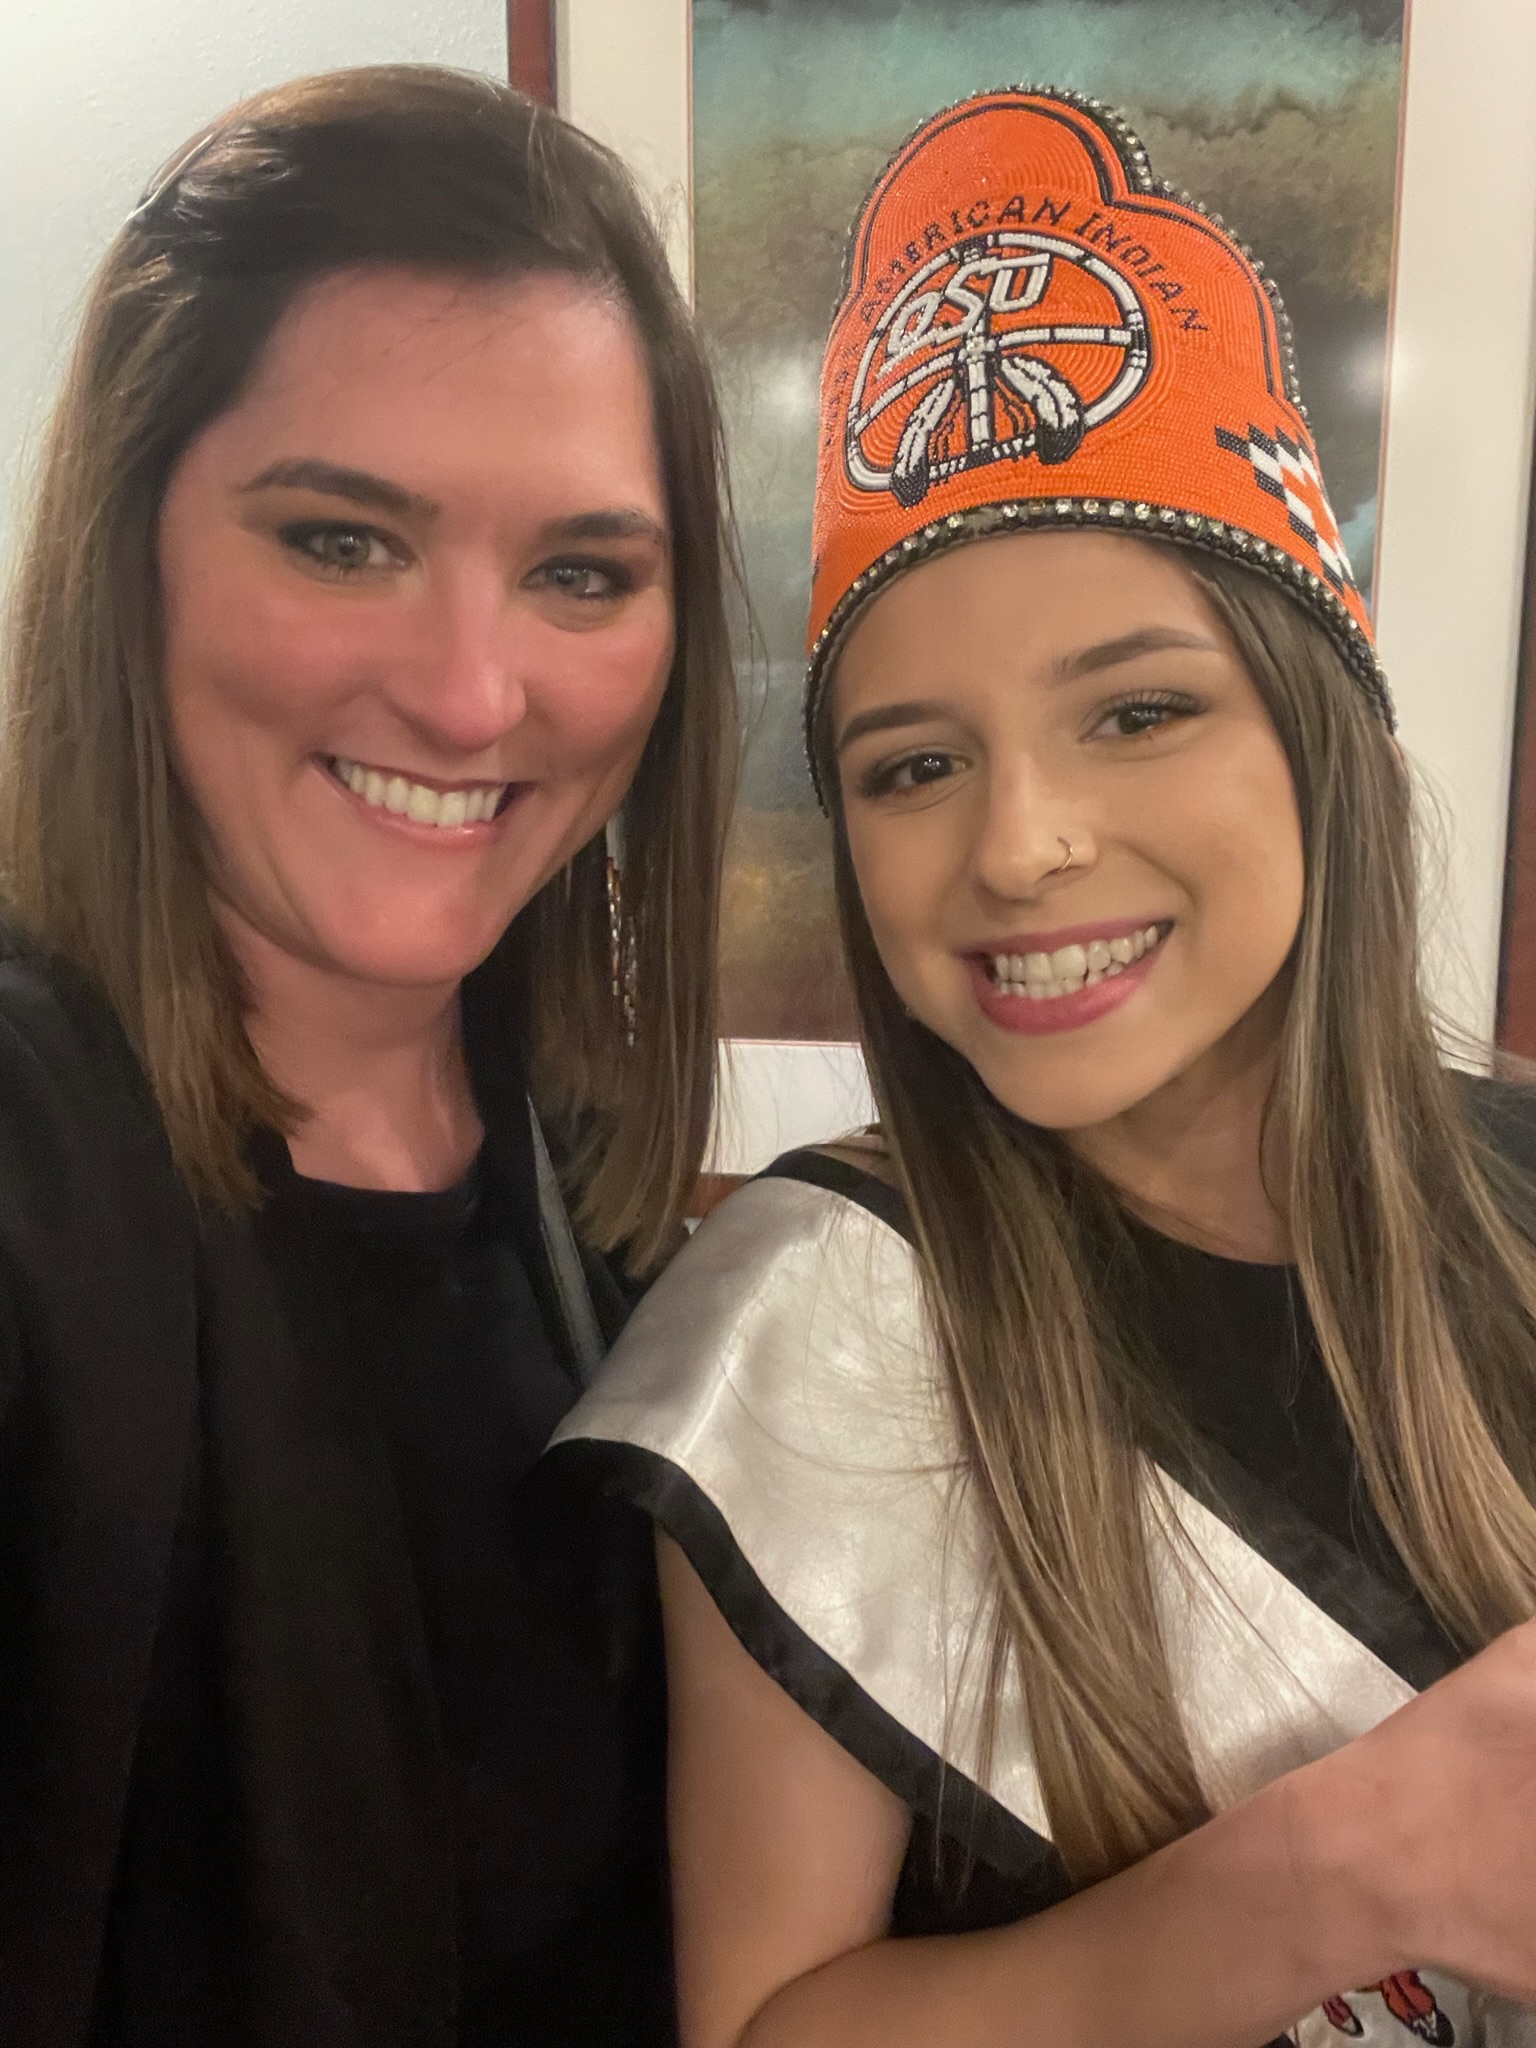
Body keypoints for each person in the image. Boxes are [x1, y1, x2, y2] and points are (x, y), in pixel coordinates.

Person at [550, 87, 1536, 2048]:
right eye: (911, 765)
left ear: (1318, 739)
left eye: (1138, 712)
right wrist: (1348, 1870)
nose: (1017, 847)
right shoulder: (818, 1316)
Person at [0, 65, 735, 2048]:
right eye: (341, 541)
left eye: (583, 572)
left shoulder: (603, 1214)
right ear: (126, 548)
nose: (471, 688)